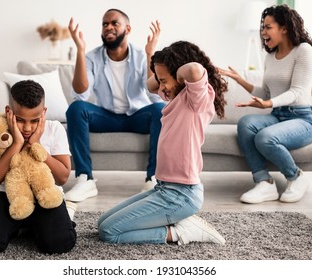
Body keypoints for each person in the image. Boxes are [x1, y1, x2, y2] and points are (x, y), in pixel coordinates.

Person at [97, 40, 228, 245]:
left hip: (181, 195)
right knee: (103, 222)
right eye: (162, 81)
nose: (162, 86)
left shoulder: (197, 99)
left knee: (109, 232)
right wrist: (161, 71)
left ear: (179, 77)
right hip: (165, 188)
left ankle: (180, 233)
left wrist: (174, 70)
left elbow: (193, 69)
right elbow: (150, 84)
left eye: (165, 80)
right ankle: (178, 222)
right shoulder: (177, 96)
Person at [219, 4, 312, 204]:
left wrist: (268, 103)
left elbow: (297, 91)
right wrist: (239, 79)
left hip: (303, 118)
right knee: (246, 123)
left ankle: (296, 177)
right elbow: (264, 93)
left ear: (284, 27)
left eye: (267, 27)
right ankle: (264, 182)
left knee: (265, 137)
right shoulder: (270, 56)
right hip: (279, 115)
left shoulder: (303, 51)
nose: (263, 32)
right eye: (262, 27)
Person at [65, 9, 165, 203]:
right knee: (76, 109)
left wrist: (151, 54)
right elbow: (80, 94)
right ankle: (85, 179)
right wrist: (80, 50)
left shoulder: (141, 55)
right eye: (105, 24)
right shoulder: (92, 57)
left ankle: (153, 179)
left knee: (160, 110)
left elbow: (156, 95)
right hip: (107, 117)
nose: (108, 27)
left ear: (127, 28)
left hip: (137, 117)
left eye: (114, 23)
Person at [0, 80, 76, 256]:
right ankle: (25, 226)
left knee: (59, 243)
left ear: (44, 112)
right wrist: (17, 144)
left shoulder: (54, 129)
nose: (27, 128)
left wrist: (36, 144)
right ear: (8, 112)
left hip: (45, 194)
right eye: (20, 120)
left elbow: (62, 177)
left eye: (34, 120)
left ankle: (49, 221)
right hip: (9, 195)